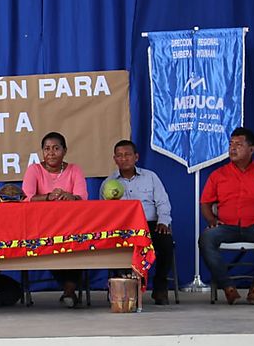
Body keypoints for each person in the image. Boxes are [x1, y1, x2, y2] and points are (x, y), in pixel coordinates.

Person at [199, 127, 254, 305]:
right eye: (231, 144)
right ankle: (228, 287)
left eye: (238, 145)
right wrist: (211, 220)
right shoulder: (218, 175)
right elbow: (205, 203)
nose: (232, 148)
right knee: (206, 238)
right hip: (226, 227)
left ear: (251, 149)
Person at [100, 140, 174, 305]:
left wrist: (163, 222)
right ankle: (121, 287)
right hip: (124, 228)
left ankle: (160, 287)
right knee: (113, 246)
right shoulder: (108, 183)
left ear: (136, 157)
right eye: (119, 155)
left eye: (127, 155)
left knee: (166, 242)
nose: (123, 158)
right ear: (114, 159)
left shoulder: (151, 177)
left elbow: (162, 202)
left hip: (150, 225)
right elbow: (104, 213)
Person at [21, 131, 88, 308]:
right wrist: (48, 197)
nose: (51, 153)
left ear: (64, 150)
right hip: (41, 226)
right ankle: (69, 289)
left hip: (71, 225)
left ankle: (69, 290)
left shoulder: (74, 169)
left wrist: (69, 196)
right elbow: (26, 198)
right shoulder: (34, 170)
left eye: (56, 148)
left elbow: (82, 198)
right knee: (50, 244)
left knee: (78, 243)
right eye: (47, 149)